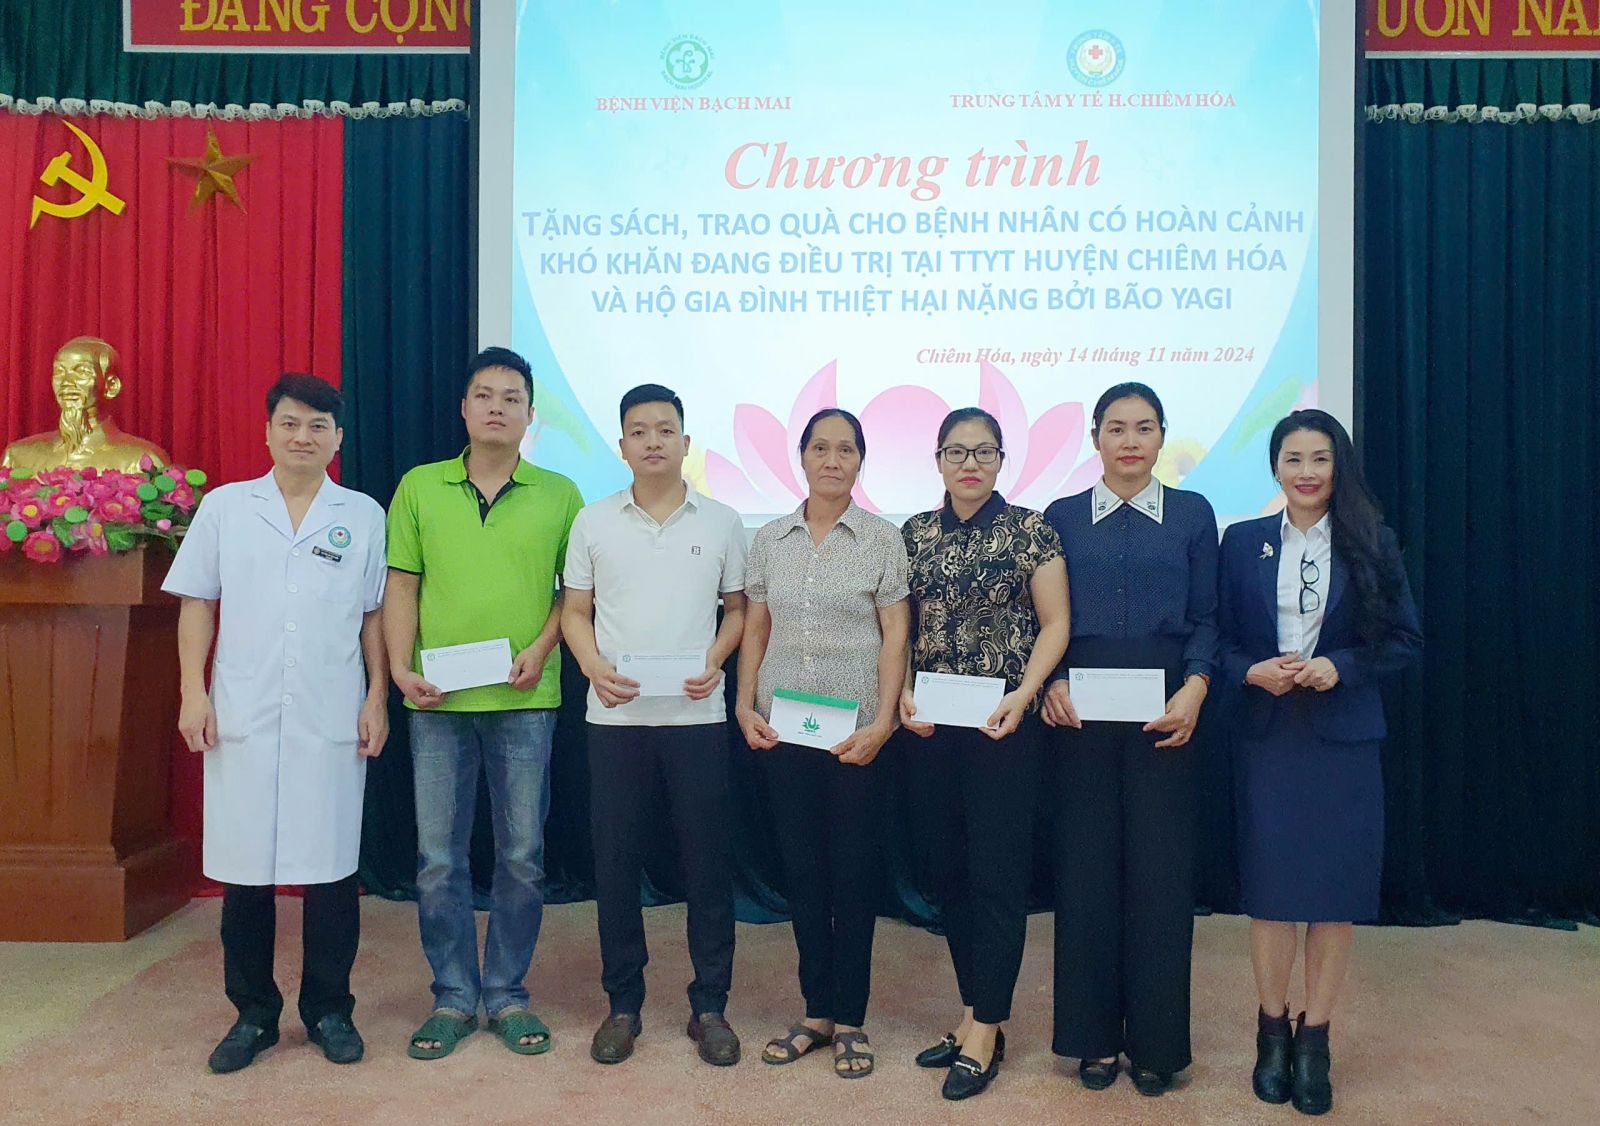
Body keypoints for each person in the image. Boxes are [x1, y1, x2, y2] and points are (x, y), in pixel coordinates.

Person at [165, 373, 388, 1073]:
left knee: (331, 870)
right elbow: (197, 602)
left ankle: (329, 1009)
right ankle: (253, 1015)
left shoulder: (362, 514)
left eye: (318, 426)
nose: (303, 436)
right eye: (290, 423)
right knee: (245, 871)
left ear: (338, 439)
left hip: (331, 713)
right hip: (244, 711)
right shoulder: (227, 508)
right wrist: (193, 693)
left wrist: (377, 696)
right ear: (267, 432)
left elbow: (373, 615)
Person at [1218, 409, 1421, 1116]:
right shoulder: (1241, 543)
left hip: (1342, 741)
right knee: (1272, 896)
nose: (1306, 472)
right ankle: (1272, 1030)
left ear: (1340, 467)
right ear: (1275, 466)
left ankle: (1316, 1039)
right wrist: (1249, 671)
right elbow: (1216, 641)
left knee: (1334, 898)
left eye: (1321, 459)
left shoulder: (1372, 541)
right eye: (1293, 459)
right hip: (1269, 738)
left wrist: (1343, 666)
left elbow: (1404, 640)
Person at [385, 347, 583, 1061]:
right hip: (436, 701)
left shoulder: (561, 494)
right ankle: (451, 995)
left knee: (522, 856)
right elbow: (401, 586)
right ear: (464, 408)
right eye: (485, 395)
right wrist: (400, 669)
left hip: (526, 698)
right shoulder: (419, 487)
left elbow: (573, 595)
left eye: (512, 397)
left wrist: (543, 647)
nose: (498, 407)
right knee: (438, 859)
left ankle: (506, 993)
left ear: (530, 415)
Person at [560, 384, 749, 1068]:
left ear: (686, 443)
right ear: (621, 447)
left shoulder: (722, 521)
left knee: (707, 863)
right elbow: (574, 611)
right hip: (616, 718)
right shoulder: (593, 521)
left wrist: (716, 660)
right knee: (615, 864)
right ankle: (623, 1005)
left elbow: (738, 610)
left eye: (665, 430)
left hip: (696, 717)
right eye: (639, 432)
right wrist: (593, 668)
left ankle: (710, 1005)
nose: (653, 442)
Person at [1042, 382, 1218, 1097]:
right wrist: (1050, 682)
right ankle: (1091, 1038)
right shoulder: (1061, 517)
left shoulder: (1192, 513)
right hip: (1078, 716)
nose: (1131, 441)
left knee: (1160, 879)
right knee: (1085, 875)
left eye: (1145, 428)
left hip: (1166, 713)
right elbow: (1044, 618)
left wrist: (1196, 688)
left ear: (1162, 437)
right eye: (1116, 428)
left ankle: (1156, 1044)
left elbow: (1207, 617)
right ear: (1095, 438)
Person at [900, 407, 1070, 1101]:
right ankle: (974, 1014)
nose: (970, 464)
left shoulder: (1032, 530)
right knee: (950, 875)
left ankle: (988, 1027)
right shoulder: (915, 534)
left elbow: (1056, 623)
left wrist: (1026, 694)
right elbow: (901, 629)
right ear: (938, 460)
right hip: (932, 730)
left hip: (1004, 726)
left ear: (1002, 460)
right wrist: (902, 691)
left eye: (984, 452)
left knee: (997, 878)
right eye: (956, 451)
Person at [735, 409, 910, 1079]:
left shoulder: (882, 540)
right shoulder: (770, 540)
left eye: (846, 450)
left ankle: (853, 1018)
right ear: (802, 457)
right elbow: (756, 628)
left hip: (857, 735)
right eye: (820, 448)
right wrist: (744, 704)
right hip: (784, 731)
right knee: (804, 873)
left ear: (861, 461)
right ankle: (816, 1012)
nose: (832, 460)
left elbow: (896, 637)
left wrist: (885, 721)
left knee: (854, 876)